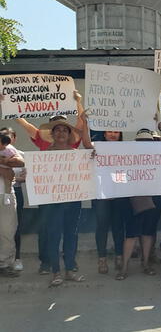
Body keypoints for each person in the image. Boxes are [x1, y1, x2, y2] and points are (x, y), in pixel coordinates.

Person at [39, 116, 91, 286]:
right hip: (52, 203)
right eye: (57, 130)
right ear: (52, 134)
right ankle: (55, 272)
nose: (61, 133)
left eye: (64, 130)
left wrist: (92, 160)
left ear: (69, 135)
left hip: (73, 202)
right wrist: (27, 177)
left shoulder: (77, 155)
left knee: (71, 235)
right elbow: (38, 178)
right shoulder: (44, 156)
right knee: (53, 236)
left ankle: (69, 270)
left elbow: (85, 175)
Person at [116, 129, 161, 280]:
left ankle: (146, 264)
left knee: (148, 233)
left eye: (148, 142)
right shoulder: (127, 158)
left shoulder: (159, 157)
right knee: (131, 234)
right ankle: (124, 268)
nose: (145, 145)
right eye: (142, 142)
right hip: (132, 199)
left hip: (152, 198)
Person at [90, 131, 127, 275]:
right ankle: (102, 259)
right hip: (101, 194)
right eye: (109, 132)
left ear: (120, 134)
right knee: (102, 226)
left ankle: (119, 256)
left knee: (118, 225)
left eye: (116, 132)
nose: (112, 134)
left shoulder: (126, 149)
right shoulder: (96, 148)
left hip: (119, 193)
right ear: (104, 134)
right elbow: (87, 148)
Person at [0, 127, 26, 272]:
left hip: (6, 194)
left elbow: (20, 162)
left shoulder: (10, 149)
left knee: (8, 230)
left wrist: (5, 163)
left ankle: (5, 263)